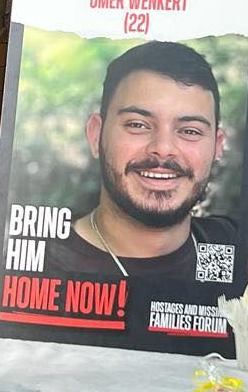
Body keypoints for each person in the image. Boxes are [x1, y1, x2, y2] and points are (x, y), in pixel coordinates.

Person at [44, 41, 237, 278]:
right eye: (138, 125)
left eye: (190, 131)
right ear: (96, 135)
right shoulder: (47, 266)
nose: (163, 149)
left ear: (217, 147)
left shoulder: (227, 245)